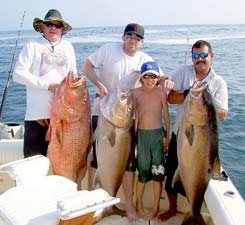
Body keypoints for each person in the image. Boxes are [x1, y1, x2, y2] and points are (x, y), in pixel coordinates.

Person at [82, 23, 174, 222]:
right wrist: (98, 84)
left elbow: (159, 75)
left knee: (128, 164)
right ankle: (93, 203)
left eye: (137, 38)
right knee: (96, 159)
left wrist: (166, 80)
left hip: (127, 119)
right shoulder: (108, 50)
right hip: (103, 112)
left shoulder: (144, 59)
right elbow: (86, 66)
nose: (132, 40)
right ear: (123, 37)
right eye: (129, 36)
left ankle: (127, 205)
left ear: (142, 42)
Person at [158, 40, 228, 222]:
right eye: (196, 56)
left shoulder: (219, 83)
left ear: (211, 56)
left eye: (204, 55)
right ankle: (173, 208)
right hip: (180, 136)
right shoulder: (183, 72)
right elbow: (171, 98)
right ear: (192, 58)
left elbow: (222, 114)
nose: (200, 59)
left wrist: (207, 103)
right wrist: (190, 93)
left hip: (204, 142)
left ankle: (194, 212)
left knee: (197, 176)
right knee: (172, 177)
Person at [13, 9, 77, 158]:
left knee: (60, 165)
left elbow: (73, 76)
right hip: (36, 118)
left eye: (57, 25)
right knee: (32, 164)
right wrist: (48, 86)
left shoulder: (68, 47)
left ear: (62, 29)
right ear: (42, 27)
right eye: (49, 24)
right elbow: (18, 74)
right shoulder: (32, 46)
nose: (53, 28)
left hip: (62, 120)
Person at [132, 61, 170, 220]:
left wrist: (167, 137)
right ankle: (138, 203)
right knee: (142, 172)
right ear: (141, 78)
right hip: (141, 136)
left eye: (153, 77)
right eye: (146, 77)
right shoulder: (135, 93)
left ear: (157, 78)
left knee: (158, 173)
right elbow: (132, 117)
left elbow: (166, 116)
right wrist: (133, 140)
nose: (149, 80)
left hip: (157, 136)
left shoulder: (161, 93)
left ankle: (156, 206)